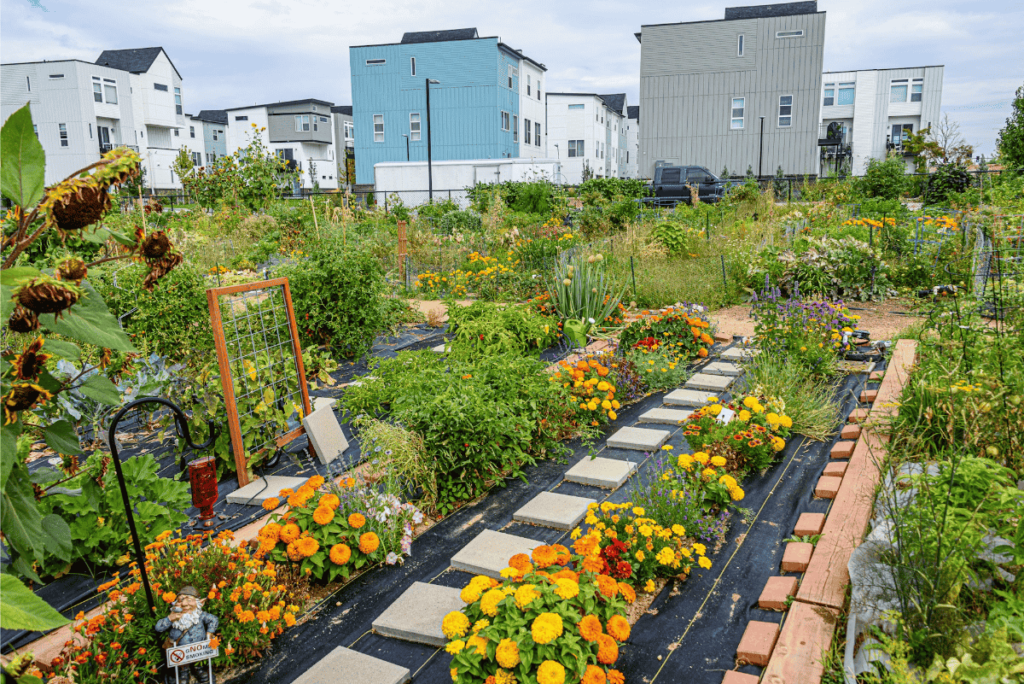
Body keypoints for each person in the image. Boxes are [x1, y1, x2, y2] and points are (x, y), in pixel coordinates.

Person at [156, 585, 219, 684]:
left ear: (199, 603)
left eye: (189, 600)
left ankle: (199, 669)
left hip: (199, 649)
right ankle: (184, 673)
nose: (184, 604)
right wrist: (169, 618)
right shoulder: (175, 617)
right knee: (182, 663)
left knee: (199, 660)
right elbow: (158, 627)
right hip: (181, 651)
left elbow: (214, 619)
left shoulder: (200, 616)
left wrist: (209, 633)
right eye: (180, 600)